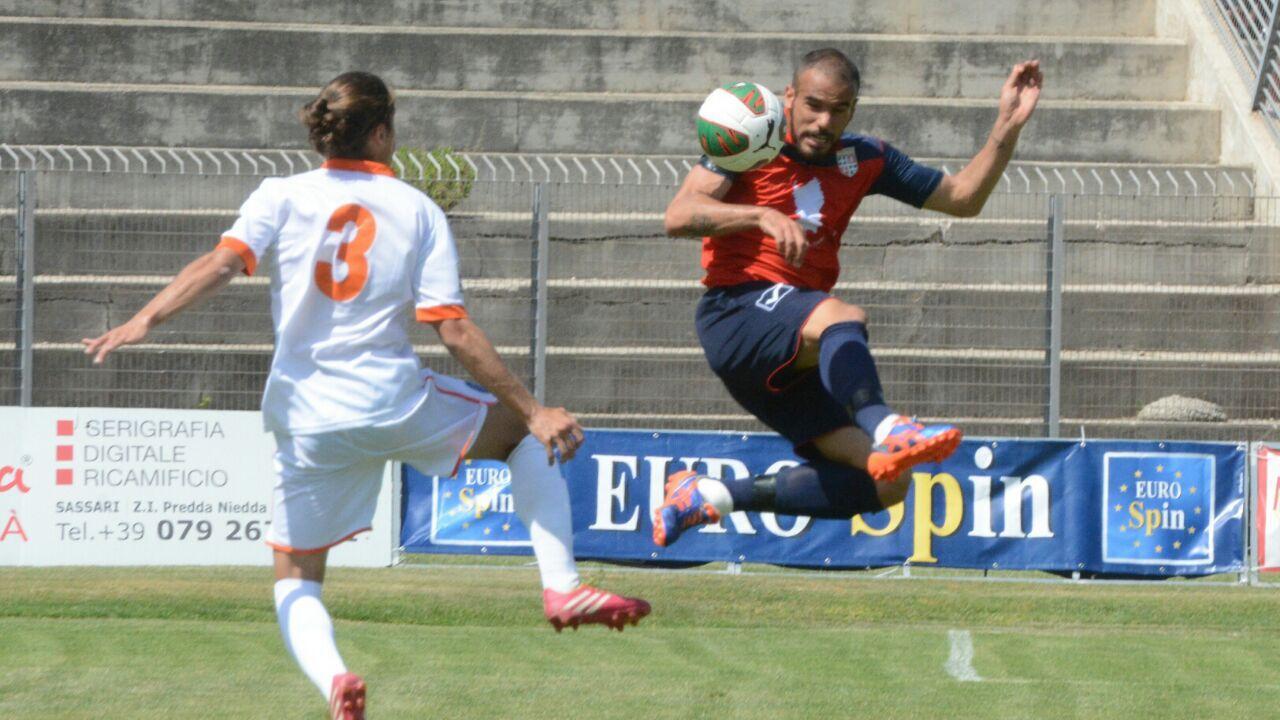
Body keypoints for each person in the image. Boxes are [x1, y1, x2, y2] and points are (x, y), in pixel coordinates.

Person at [81, 72, 650, 720]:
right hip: (392, 402)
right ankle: (562, 588)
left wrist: (143, 319)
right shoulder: (415, 208)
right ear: (381, 132)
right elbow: (454, 331)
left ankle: (336, 681)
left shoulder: (281, 195)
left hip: (305, 416)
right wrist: (535, 409)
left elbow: (217, 264)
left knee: (296, 578)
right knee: (521, 437)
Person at [654, 49, 1042, 545]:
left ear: (853, 109)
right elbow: (679, 214)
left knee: (887, 482)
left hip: (786, 351)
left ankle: (711, 496)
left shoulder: (863, 158)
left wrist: (1007, 124)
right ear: (788, 96)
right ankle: (886, 424)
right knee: (842, 317)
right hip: (736, 309)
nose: (823, 121)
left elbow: (963, 198)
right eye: (813, 105)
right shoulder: (753, 139)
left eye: (838, 110)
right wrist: (761, 215)